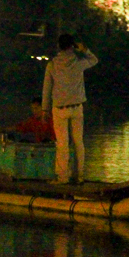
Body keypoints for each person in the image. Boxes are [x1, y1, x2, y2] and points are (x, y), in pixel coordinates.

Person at [42, 34, 98, 185]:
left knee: (62, 144)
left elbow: (47, 89)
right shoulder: (78, 62)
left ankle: (63, 177)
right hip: (77, 107)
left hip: (60, 108)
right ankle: (79, 176)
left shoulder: (52, 65)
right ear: (72, 46)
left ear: (59, 46)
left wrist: (44, 110)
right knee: (78, 142)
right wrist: (85, 50)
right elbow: (94, 60)